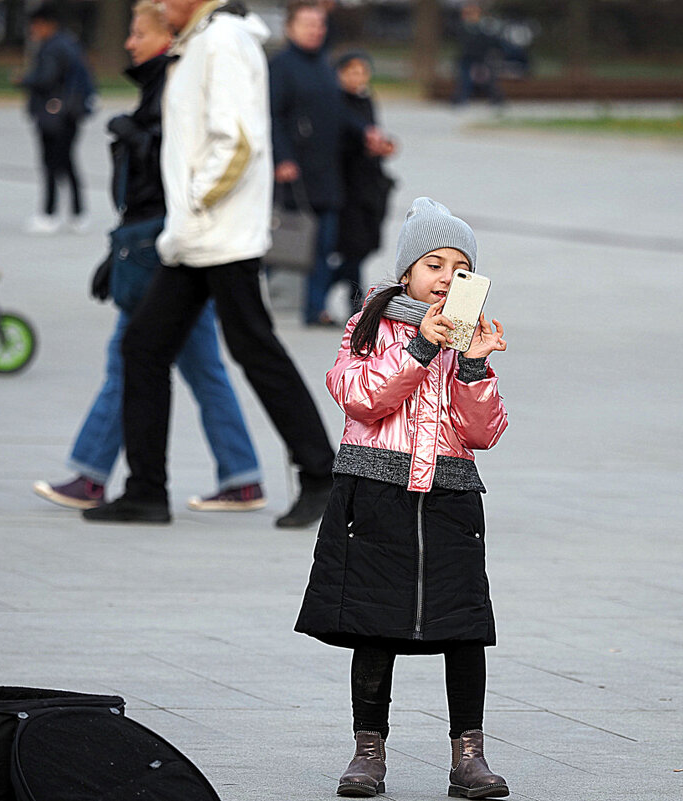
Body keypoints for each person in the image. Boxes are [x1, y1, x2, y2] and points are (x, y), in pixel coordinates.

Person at [83, 0, 335, 527]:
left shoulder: (222, 41)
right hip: (199, 239)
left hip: (220, 236)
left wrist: (194, 204)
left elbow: (236, 140)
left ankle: (321, 477)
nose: (154, 6)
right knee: (145, 347)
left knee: (254, 350)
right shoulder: (202, 40)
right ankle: (147, 490)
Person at [295, 197, 510, 799]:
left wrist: (472, 369)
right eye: (434, 264)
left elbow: (483, 433)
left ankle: (469, 755)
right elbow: (359, 396)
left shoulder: (466, 338)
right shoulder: (369, 326)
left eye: (460, 269)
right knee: (374, 625)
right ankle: (368, 752)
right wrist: (419, 345)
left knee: (465, 629)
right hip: (375, 494)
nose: (446, 279)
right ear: (407, 272)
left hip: (450, 496)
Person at [33, 0, 266, 513]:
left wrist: (150, 163)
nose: (128, 42)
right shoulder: (166, 81)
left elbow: (203, 159)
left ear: (167, 35)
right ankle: (241, 476)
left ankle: (97, 475)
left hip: (170, 246)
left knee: (135, 356)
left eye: (139, 32)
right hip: (160, 242)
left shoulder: (180, 79)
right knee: (194, 364)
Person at [269, 0, 387, 326]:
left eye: (319, 24)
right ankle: (273, 298)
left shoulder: (324, 65)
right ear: (290, 27)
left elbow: (341, 112)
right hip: (296, 172)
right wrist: (282, 158)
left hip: (329, 172)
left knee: (324, 245)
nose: (315, 30)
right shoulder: (280, 67)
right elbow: (272, 117)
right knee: (286, 242)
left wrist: (366, 132)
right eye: (308, 24)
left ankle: (314, 308)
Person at [17, 2, 95, 235]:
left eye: (35, 25)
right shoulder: (70, 43)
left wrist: (25, 80)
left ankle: (49, 213)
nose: (33, 30)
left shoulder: (51, 48)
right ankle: (78, 213)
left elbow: (46, 78)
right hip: (70, 113)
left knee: (51, 164)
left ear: (45, 24)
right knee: (68, 163)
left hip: (54, 115)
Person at [331, 50, 396, 317]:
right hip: (347, 187)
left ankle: (327, 287)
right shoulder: (335, 103)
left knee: (364, 247)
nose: (358, 77)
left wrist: (383, 146)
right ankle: (357, 307)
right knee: (354, 249)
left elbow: (373, 132)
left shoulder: (366, 99)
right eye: (351, 71)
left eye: (362, 71)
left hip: (370, 186)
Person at [452, 2, 504, 107]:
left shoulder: (484, 27)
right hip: (467, 57)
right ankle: (461, 99)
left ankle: (496, 99)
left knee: (489, 79)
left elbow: (492, 41)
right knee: (465, 79)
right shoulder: (462, 27)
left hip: (482, 56)